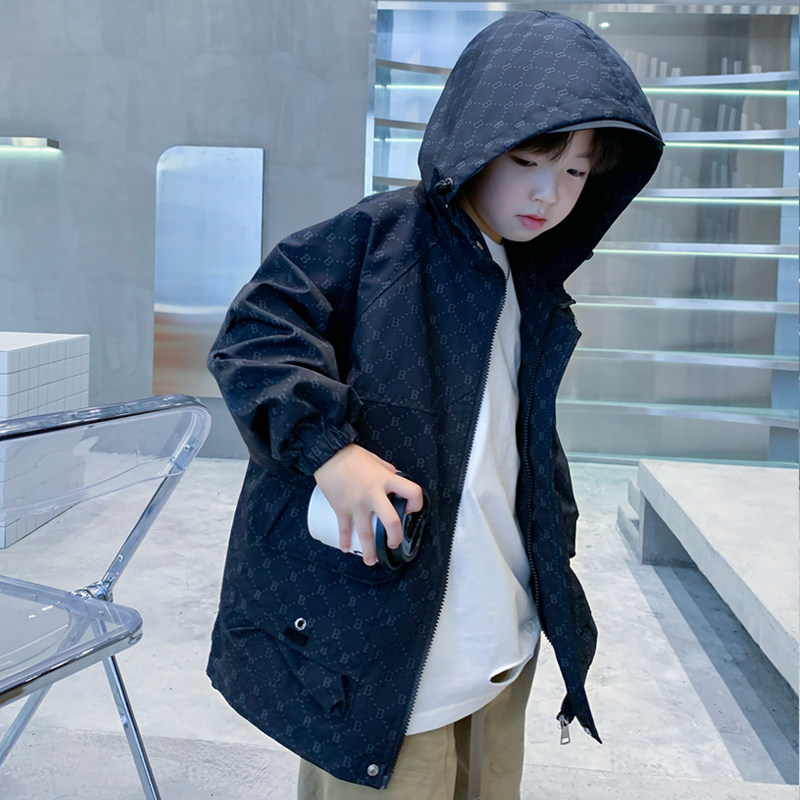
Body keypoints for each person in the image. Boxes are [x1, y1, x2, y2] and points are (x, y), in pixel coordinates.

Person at [206, 10, 663, 799]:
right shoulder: (380, 239)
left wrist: (553, 541)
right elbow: (257, 333)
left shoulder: (530, 283)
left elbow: (519, 444)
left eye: (577, 172)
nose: (550, 193)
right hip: (384, 634)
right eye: (529, 159)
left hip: (498, 623)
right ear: (477, 139)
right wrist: (330, 450)